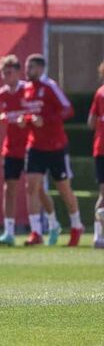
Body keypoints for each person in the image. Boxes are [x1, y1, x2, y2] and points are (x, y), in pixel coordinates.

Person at [0, 55, 60, 246]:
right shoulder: (2, 93)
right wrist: (4, 117)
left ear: (18, 72)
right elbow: (11, 114)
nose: (6, 76)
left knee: (37, 190)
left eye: (9, 72)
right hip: (11, 147)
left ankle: (53, 224)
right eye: (3, 73)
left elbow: (31, 114)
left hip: (30, 146)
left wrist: (20, 119)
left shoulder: (27, 89)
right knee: (9, 188)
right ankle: (9, 232)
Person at [19, 54, 83, 247]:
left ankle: (76, 225)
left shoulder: (50, 87)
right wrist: (26, 121)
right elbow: (31, 114)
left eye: (30, 67)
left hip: (56, 146)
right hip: (35, 146)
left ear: (40, 69)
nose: (27, 71)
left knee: (64, 189)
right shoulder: (27, 89)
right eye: (26, 67)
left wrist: (45, 120)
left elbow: (67, 110)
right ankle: (36, 232)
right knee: (32, 187)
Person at [87, 60, 104, 249]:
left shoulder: (99, 93)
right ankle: (98, 235)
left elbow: (91, 122)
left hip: (100, 149)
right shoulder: (101, 94)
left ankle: (99, 236)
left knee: (103, 193)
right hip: (102, 149)